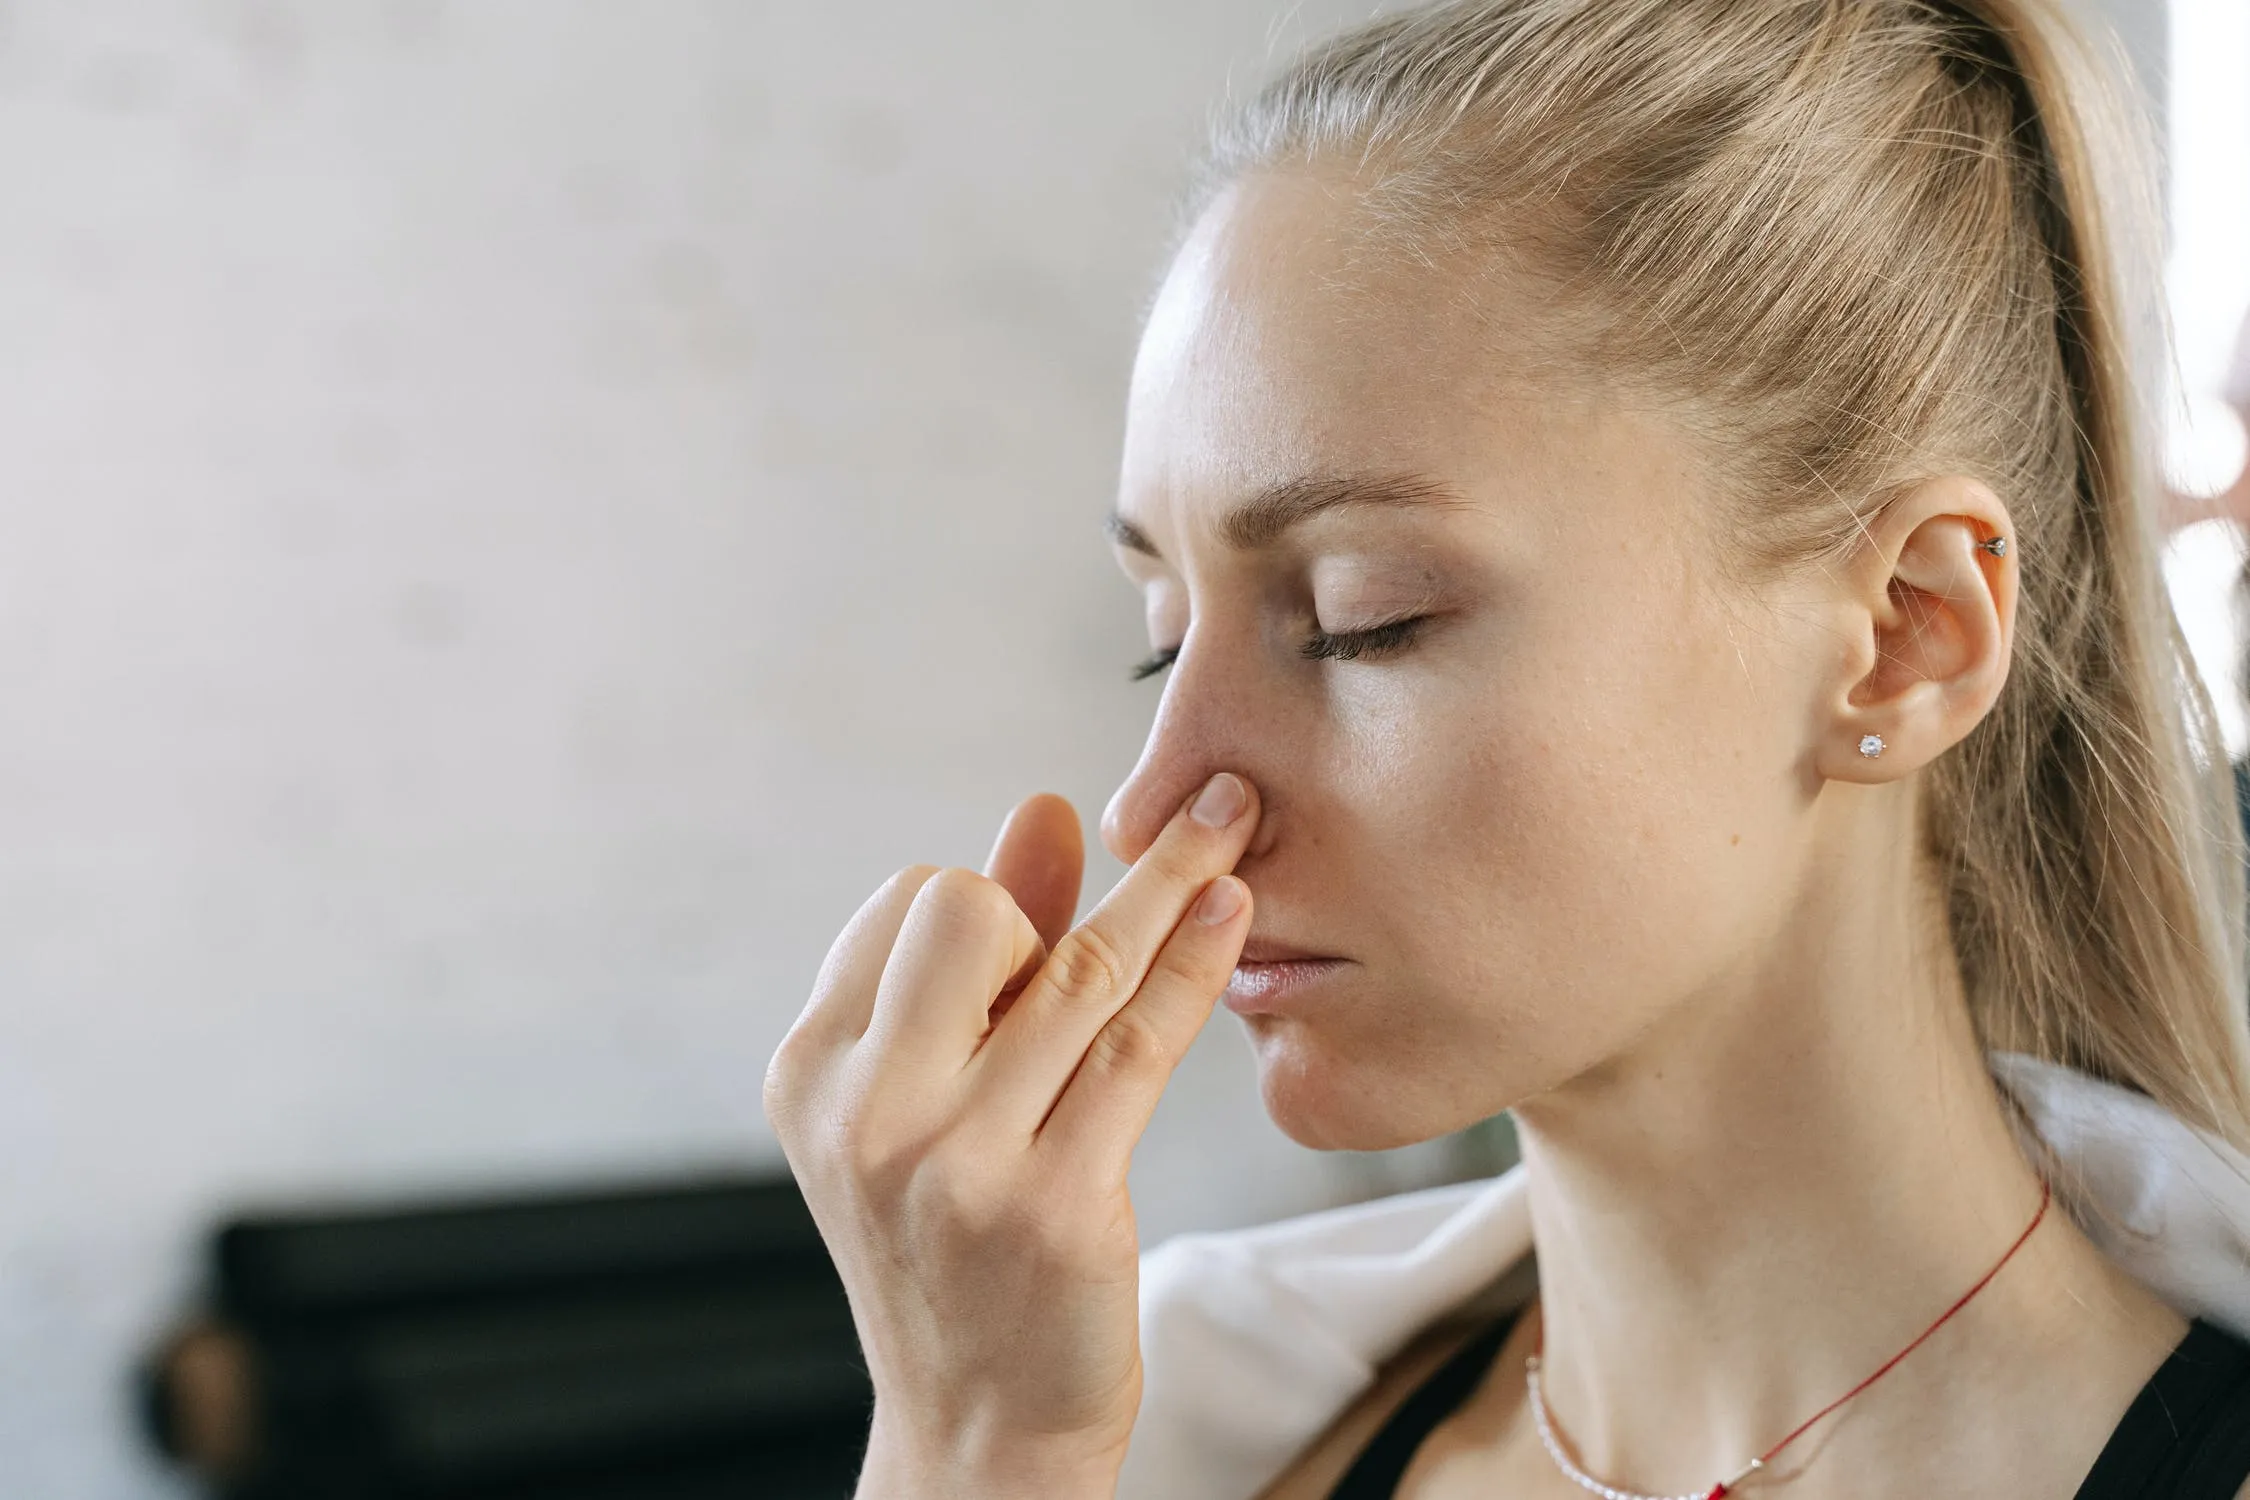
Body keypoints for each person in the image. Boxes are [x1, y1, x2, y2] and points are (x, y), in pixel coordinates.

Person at [762, 1, 2250, 1497]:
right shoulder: (1159, 1451)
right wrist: (977, 1445)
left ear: (1905, 636)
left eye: (1363, 620)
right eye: (1161, 631)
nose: (1157, 805)